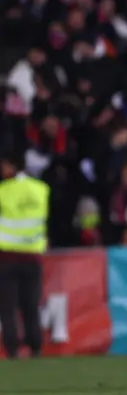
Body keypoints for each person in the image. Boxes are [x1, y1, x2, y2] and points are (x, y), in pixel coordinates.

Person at [0, 152, 50, 359]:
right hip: (33, 256)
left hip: (7, 257)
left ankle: (12, 349)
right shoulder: (41, 189)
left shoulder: (3, 191)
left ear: (11, 166)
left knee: (8, 306)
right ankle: (35, 347)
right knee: (31, 305)